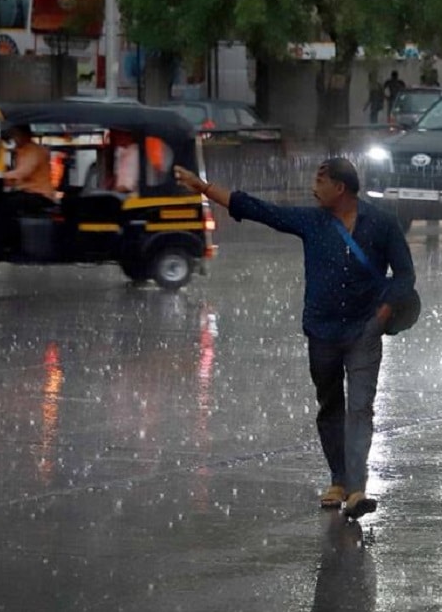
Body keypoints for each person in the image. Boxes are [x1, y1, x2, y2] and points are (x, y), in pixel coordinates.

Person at [173, 157, 416, 520]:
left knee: (361, 407)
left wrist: (382, 314)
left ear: (341, 188)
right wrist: (205, 188)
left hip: (365, 330)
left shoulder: (381, 223)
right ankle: (338, 479)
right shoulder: (312, 221)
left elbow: (404, 275)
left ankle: (357, 487)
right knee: (330, 405)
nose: (313, 187)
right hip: (322, 329)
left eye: (321, 181)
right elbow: (260, 210)